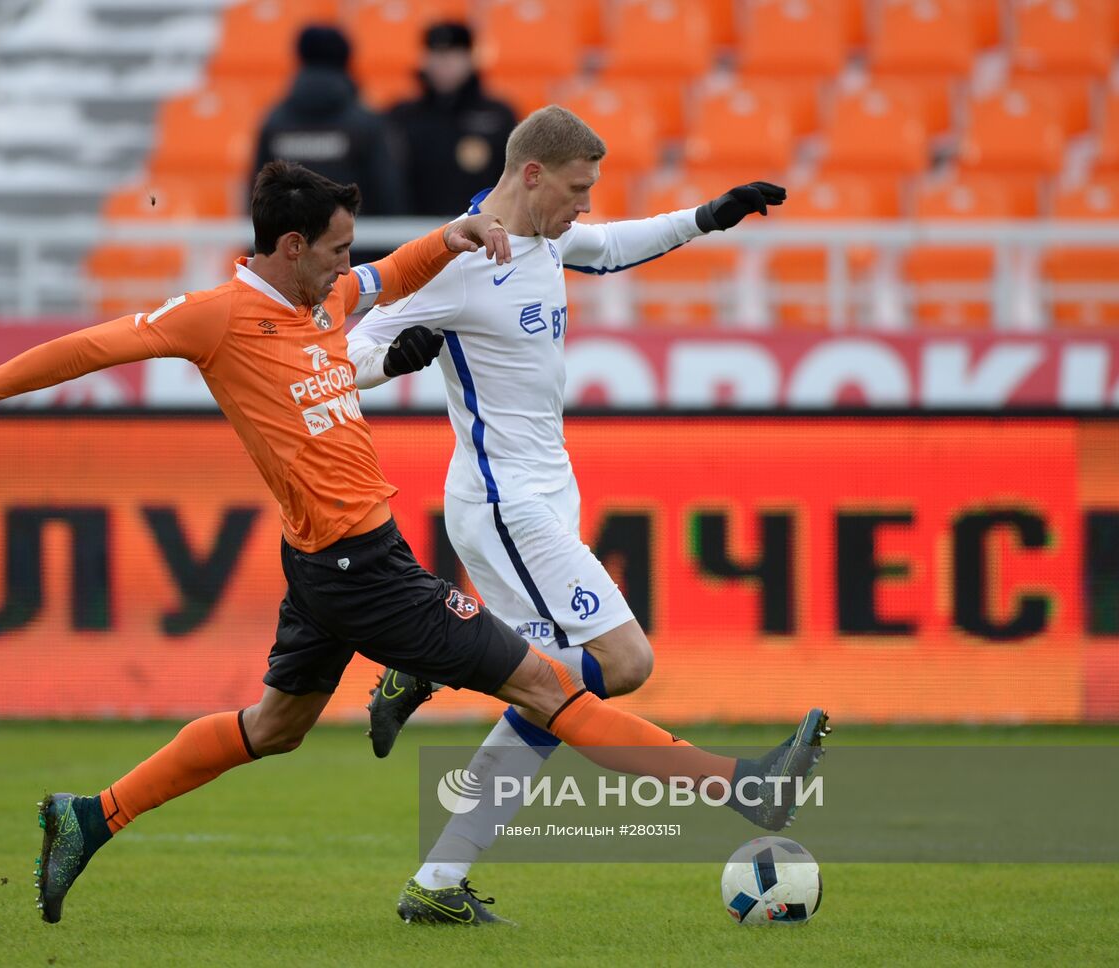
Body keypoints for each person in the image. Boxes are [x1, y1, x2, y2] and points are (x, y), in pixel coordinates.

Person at [0, 160, 825, 928]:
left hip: (331, 561)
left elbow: (394, 276)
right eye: (331, 251)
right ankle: (740, 787)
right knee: (550, 685)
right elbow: (83, 349)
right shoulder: (217, 318)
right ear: (288, 247)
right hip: (359, 573)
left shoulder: (320, 300)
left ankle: (89, 816)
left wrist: (449, 238)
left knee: (274, 728)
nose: (346, 268)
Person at [349, 105, 806, 922]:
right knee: (619, 664)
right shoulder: (456, 259)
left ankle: (438, 879)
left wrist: (711, 215)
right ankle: (739, 786)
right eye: (577, 188)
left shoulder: (549, 238)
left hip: (550, 494)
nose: (585, 205)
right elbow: (342, 363)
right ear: (531, 176)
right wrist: (392, 358)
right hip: (502, 502)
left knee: (549, 692)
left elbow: (615, 244)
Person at [253, 24, 408, 256]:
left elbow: (256, 198)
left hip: (288, 265)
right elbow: (390, 197)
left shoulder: (275, 122)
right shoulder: (366, 123)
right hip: (354, 265)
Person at [388, 21, 517, 217]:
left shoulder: (498, 115)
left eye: (454, 54)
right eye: (437, 54)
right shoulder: (402, 116)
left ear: (470, 58)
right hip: (415, 236)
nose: (445, 63)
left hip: (481, 237)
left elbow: (512, 180)